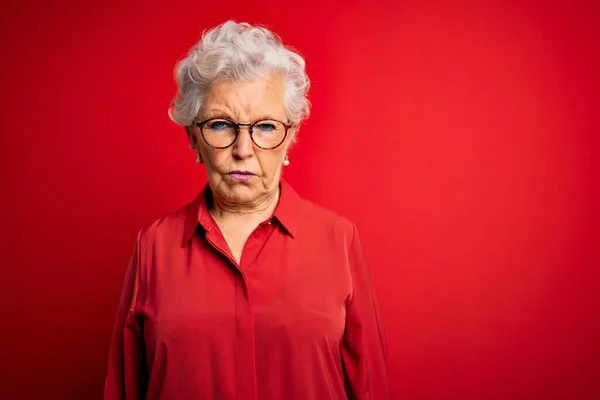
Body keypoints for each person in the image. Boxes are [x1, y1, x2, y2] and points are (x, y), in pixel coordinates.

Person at [103, 20, 389, 400]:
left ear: (290, 137)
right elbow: (124, 389)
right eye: (222, 125)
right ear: (193, 137)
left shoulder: (338, 239)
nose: (243, 149)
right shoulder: (153, 247)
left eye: (265, 127)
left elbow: (370, 387)